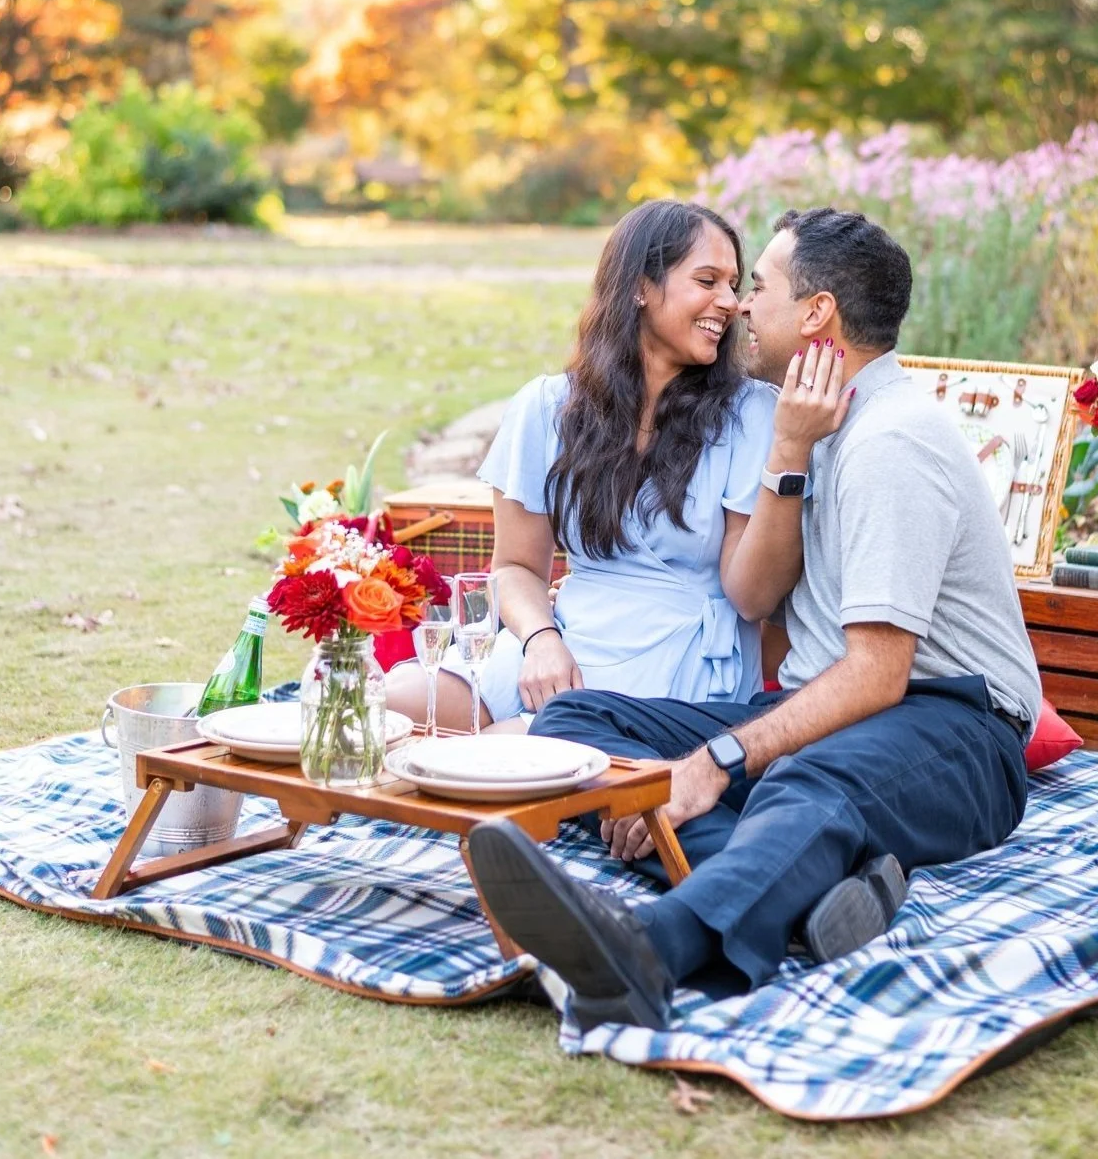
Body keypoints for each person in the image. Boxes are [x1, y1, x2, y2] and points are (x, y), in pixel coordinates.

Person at [464, 205, 1043, 1030]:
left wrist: (719, 759)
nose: (739, 306)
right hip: (837, 713)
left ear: (816, 315)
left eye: (755, 287)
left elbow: (880, 674)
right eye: (726, 285)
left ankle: (650, 950)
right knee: (577, 718)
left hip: (951, 725)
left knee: (804, 781)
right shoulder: (814, 429)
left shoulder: (891, 442)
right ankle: (817, 905)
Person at [386, 198, 849, 731]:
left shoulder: (752, 415)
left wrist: (790, 453)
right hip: (562, 639)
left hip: (678, 661)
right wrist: (540, 641)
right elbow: (514, 568)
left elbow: (754, 598)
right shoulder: (546, 407)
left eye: (734, 283)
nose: (730, 302)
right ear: (640, 287)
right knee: (396, 700)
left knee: (512, 746)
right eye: (707, 280)